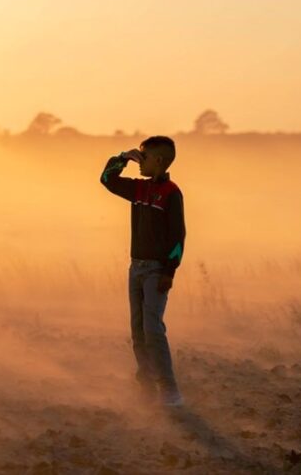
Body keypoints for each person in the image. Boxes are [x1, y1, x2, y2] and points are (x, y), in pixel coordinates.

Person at [100, 136, 186, 406]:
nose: (139, 161)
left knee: (153, 329)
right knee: (138, 330)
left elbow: (178, 237)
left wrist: (168, 273)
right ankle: (146, 386)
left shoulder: (172, 193)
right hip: (135, 269)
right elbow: (107, 179)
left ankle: (169, 389)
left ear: (158, 160)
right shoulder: (138, 190)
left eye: (143, 156)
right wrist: (122, 157)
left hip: (156, 271)